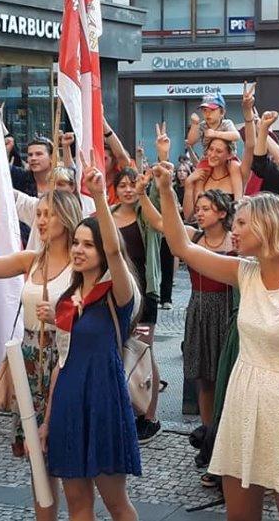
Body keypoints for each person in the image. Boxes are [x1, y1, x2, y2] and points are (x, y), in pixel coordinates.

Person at [153, 159, 279, 521]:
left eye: (242, 223)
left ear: (268, 227)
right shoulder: (245, 273)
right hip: (243, 398)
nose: (234, 231)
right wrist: (168, 192)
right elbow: (183, 248)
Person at [0, 188, 80, 521]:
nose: (42, 220)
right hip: (30, 361)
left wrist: (58, 317)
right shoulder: (31, 260)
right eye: (39, 214)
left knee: (66, 458)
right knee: (37, 464)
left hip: (64, 360)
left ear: (67, 216)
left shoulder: (81, 262)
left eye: (50, 214)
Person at [44, 154, 141, 520]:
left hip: (102, 399)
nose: (79, 250)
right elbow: (61, 362)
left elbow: (116, 249)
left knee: (116, 503)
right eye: (77, 243)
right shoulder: (68, 299)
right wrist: (48, 419)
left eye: (88, 244)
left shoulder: (118, 294)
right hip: (69, 399)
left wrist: (100, 196)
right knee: (78, 504)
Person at [139, 184, 235, 465]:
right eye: (199, 208)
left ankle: (225, 439)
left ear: (221, 211)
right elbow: (159, 223)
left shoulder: (235, 238)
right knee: (203, 377)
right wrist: (145, 194)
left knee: (225, 377)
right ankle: (207, 437)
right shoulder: (194, 235)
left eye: (206, 209)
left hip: (227, 311)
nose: (200, 213)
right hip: (200, 309)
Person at [110, 166, 163, 443]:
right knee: (119, 351)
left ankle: (150, 415)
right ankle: (126, 409)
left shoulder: (145, 214)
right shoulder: (106, 215)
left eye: (133, 185)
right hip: (116, 294)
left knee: (144, 352)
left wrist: (144, 192)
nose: (128, 190)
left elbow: (160, 222)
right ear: (115, 189)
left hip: (146, 293)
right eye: (123, 185)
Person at [185, 93, 243, 199]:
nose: (208, 114)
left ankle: (238, 200)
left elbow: (236, 135)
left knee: (235, 168)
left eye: (212, 110)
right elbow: (191, 141)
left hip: (229, 157)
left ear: (222, 112)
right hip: (208, 159)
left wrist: (216, 134)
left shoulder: (226, 123)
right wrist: (194, 125)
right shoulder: (202, 125)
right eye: (204, 110)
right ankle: (199, 201)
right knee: (200, 174)